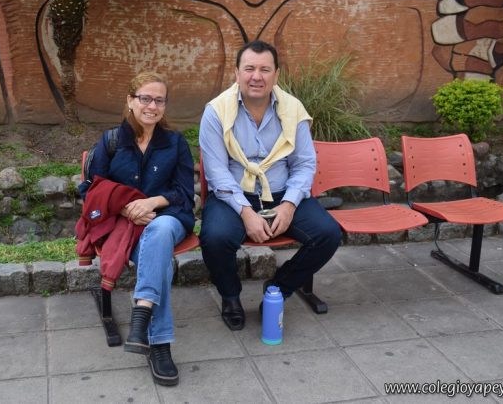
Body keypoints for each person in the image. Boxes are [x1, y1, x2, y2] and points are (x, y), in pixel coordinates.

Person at [199, 40, 342, 331]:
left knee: (328, 234)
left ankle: (279, 288)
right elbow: (216, 172)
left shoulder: (293, 108)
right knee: (214, 237)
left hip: (281, 193)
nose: (257, 76)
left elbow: (304, 164)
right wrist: (246, 212)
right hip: (234, 196)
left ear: (276, 74)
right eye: (249, 68)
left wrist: (289, 205)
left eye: (265, 69)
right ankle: (230, 297)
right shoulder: (215, 111)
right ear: (237, 73)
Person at [79, 72, 194, 386]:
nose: (152, 106)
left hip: (168, 219)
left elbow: (185, 193)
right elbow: (90, 191)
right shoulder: (112, 141)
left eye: (159, 100)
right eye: (145, 98)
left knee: (161, 231)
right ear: (130, 100)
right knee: (159, 261)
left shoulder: (175, 143)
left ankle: (143, 312)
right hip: (125, 226)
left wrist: (152, 202)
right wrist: (126, 208)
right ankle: (158, 342)